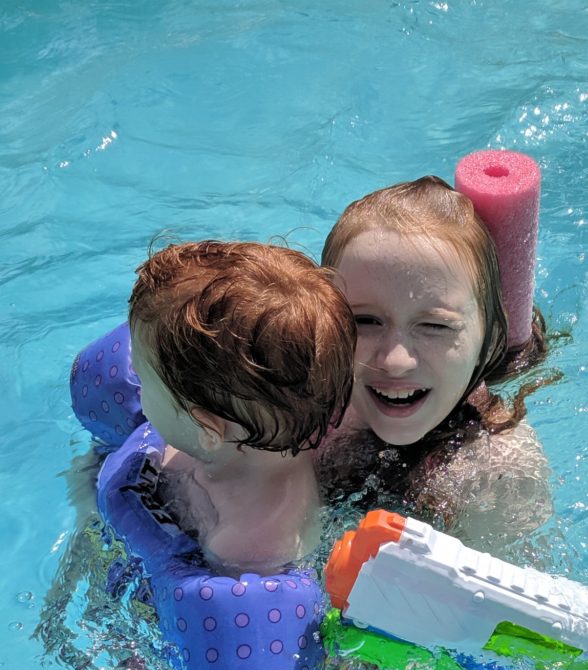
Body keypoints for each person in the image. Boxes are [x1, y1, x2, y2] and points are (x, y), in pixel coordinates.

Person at [316, 176, 556, 553]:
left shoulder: (499, 470)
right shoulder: (304, 410)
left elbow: (507, 604)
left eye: (434, 326)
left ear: (489, 340)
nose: (395, 362)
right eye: (364, 321)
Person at [127, 239, 356, 574]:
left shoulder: (248, 543)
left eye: (144, 380)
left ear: (207, 429)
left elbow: (221, 610)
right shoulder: (264, 434)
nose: (135, 385)